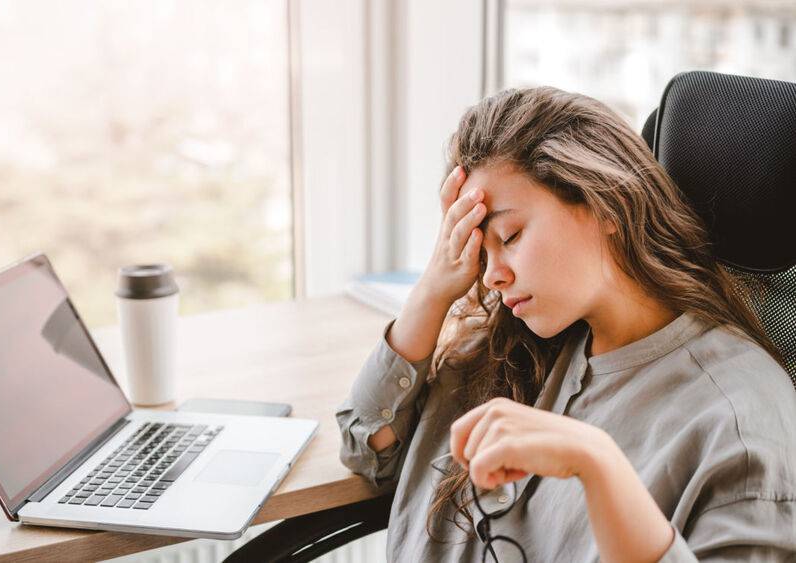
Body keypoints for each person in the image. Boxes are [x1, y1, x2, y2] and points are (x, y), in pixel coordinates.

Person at [336, 86, 796, 562]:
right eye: (480, 249)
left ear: (607, 204)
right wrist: (432, 290)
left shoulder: (738, 420)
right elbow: (367, 447)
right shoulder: (509, 348)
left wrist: (598, 467)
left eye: (510, 236)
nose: (493, 275)